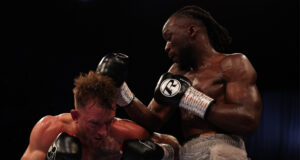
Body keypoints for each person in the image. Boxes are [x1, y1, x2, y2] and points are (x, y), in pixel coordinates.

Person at [102, 5, 262, 160]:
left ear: (191, 31)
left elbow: (248, 121)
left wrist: (191, 99)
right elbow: (153, 121)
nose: (166, 47)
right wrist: (121, 91)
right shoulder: (176, 72)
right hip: (189, 151)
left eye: (169, 38)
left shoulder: (232, 63)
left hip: (224, 150)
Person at [21, 71, 180, 160]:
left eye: (109, 122)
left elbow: (175, 146)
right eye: (95, 123)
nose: (103, 131)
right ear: (75, 116)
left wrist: (162, 153)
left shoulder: (127, 133)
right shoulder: (49, 129)